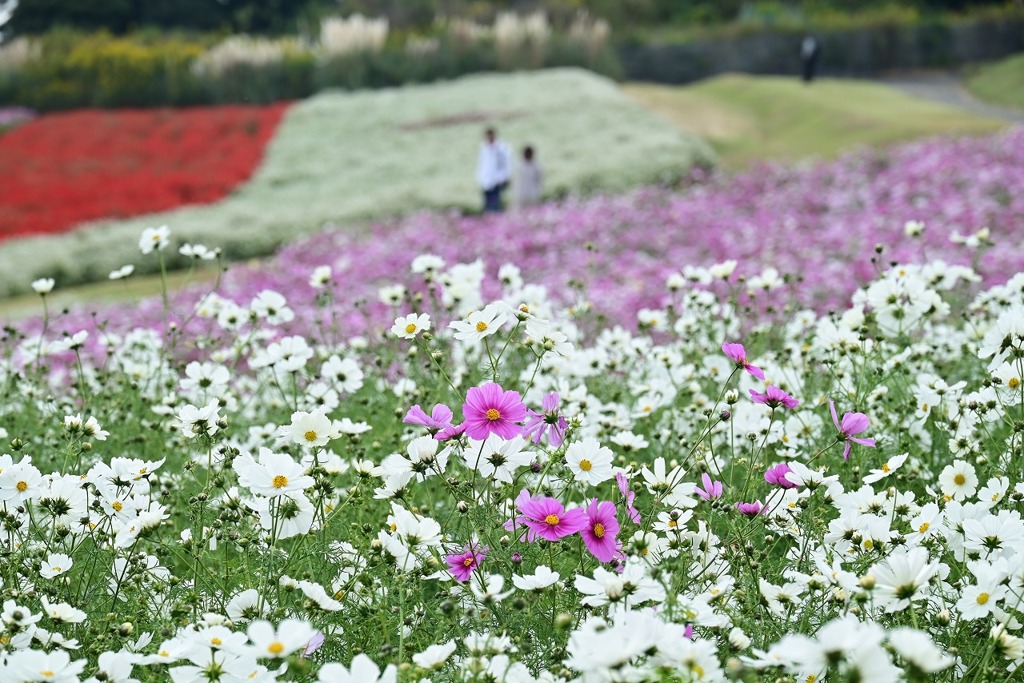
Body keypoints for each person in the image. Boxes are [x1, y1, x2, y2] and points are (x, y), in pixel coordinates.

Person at [476, 127, 511, 213]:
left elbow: (506, 164)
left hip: (497, 181)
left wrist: (504, 177)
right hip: (486, 181)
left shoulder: (501, 148)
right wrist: (480, 179)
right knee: (487, 207)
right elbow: (481, 165)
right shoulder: (484, 148)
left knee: (496, 207)